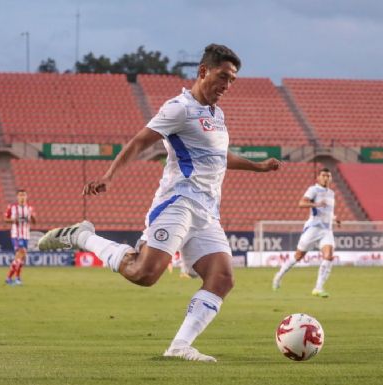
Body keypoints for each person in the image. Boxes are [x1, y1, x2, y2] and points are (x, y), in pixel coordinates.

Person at [38, 43, 281, 362]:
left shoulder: (216, 114)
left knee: (222, 278)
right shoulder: (178, 108)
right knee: (144, 273)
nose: (227, 85)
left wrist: (257, 166)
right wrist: (110, 176)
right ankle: (82, 236)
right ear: (203, 71)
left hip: (207, 212)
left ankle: (180, 346)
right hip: (178, 203)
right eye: (223, 77)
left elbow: (219, 157)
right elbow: (140, 140)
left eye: (232, 80)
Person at [271, 168, 340, 297]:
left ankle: (318, 288)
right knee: (298, 256)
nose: (326, 178)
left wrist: (334, 218)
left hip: (326, 230)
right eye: (323, 175)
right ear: (318, 178)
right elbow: (301, 203)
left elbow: (328, 211)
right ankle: (279, 276)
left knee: (329, 256)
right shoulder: (313, 190)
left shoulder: (331, 193)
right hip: (313, 228)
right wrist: (316, 204)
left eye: (328, 176)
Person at [4, 189, 36, 285]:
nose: (22, 197)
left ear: (26, 197)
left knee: (22, 258)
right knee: (21, 253)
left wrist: (32, 217)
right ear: (17, 197)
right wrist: (14, 220)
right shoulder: (12, 207)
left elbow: (34, 222)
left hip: (26, 235)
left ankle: (14, 278)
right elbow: (6, 219)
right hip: (16, 235)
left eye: (24, 195)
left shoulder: (29, 208)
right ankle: (12, 278)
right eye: (20, 195)